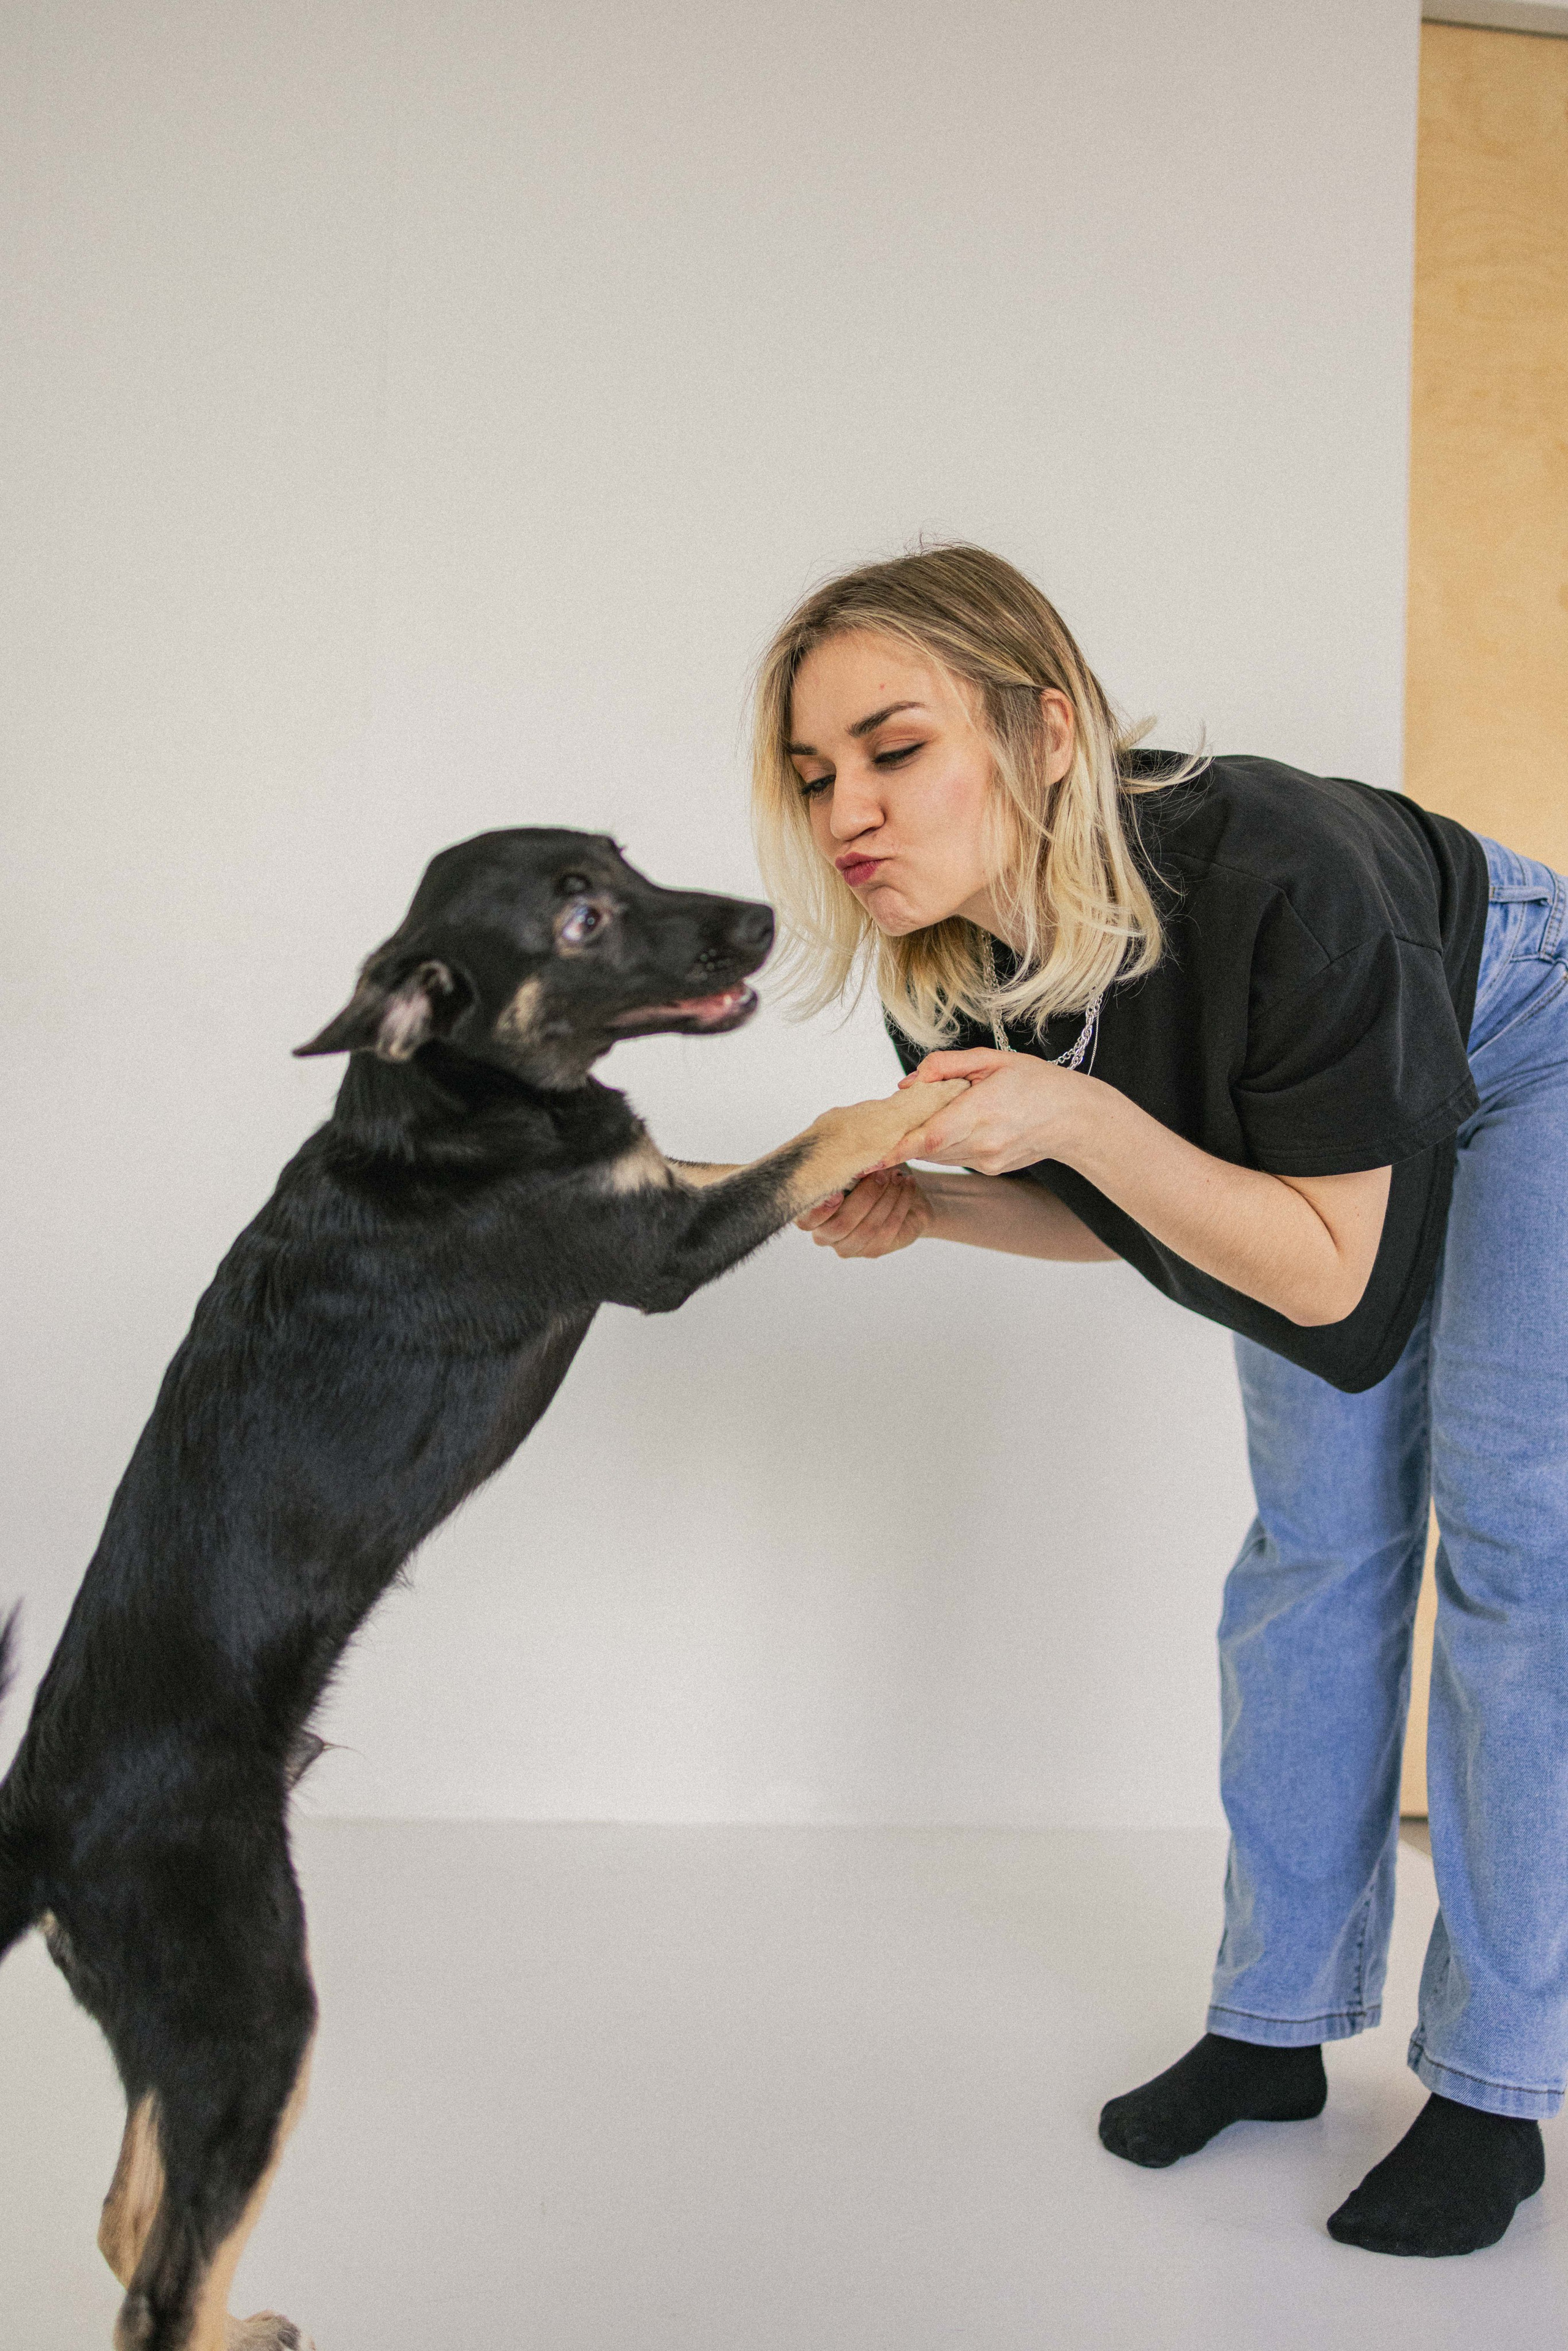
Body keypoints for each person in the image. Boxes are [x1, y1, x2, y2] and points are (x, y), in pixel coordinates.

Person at [748, 543, 1568, 2257]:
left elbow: (1326, 1272)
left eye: (896, 751)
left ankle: (1497, 2086)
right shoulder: (954, 965)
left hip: (1529, 1045)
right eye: (817, 776)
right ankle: (1276, 2025)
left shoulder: (1282, 872)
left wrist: (1071, 1124)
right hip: (1328, 1161)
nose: (850, 816)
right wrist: (943, 1205)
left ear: (1045, 732)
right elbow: (1145, 1216)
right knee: (1315, 1548)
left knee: (1517, 1551)